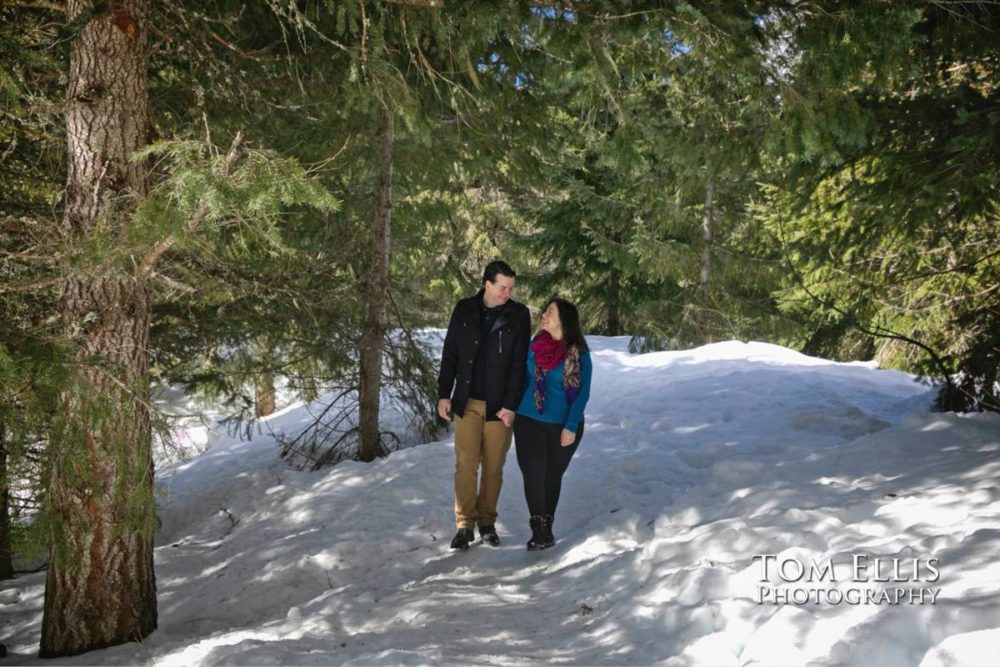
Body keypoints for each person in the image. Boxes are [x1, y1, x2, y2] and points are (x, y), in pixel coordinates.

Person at [437, 261, 531, 549]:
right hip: (466, 402)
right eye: (503, 287)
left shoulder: (518, 315)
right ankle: (464, 525)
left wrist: (511, 405)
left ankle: (487, 522)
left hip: (500, 407)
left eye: (511, 288)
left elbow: (519, 364)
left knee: (493, 467)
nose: (507, 292)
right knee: (465, 464)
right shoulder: (464, 309)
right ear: (486, 284)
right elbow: (450, 352)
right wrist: (444, 393)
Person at [513, 297, 592, 550]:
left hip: (564, 425)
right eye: (545, 311)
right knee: (534, 473)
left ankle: (548, 523)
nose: (544, 315)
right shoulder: (534, 347)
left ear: (564, 320)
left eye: (550, 312)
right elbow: (522, 381)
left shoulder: (579, 355)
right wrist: (508, 407)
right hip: (528, 419)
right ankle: (539, 530)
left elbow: (582, 394)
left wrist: (571, 426)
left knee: (551, 475)